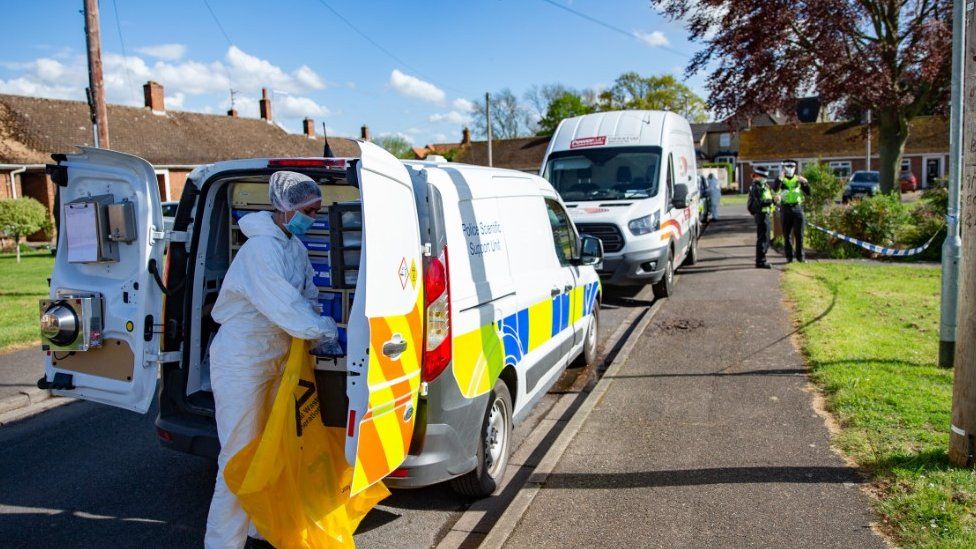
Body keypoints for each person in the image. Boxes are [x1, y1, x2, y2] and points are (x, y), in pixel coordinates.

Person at [205, 171, 339, 549]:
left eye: (317, 210)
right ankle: (222, 543)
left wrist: (318, 322)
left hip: (275, 357)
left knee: (270, 447)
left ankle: (258, 527)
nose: (313, 217)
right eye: (309, 210)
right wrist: (326, 331)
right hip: (243, 360)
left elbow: (308, 295)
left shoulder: (291, 246)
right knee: (239, 457)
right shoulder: (260, 251)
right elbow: (287, 307)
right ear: (285, 208)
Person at [772, 160, 812, 262]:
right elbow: (775, 190)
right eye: (787, 166)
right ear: (784, 168)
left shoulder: (798, 179)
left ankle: (800, 258)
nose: (790, 169)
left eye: (792, 166)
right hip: (785, 209)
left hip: (797, 208)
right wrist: (780, 179)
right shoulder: (780, 180)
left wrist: (805, 183)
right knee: (787, 235)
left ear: (795, 168)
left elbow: (808, 193)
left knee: (799, 234)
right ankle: (789, 258)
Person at [747, 166, 776, 269]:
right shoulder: (756, 187)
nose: (765, 178)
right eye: (763, 176)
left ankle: (762, 259)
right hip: (761, 215)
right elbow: (760, 203)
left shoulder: (764, 185)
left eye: (765, 176)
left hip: (766, 215)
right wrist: (773, 201)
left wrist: (773, 200)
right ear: (758, 176)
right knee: (762, 239)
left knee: (766, 238)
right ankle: (760, 261)